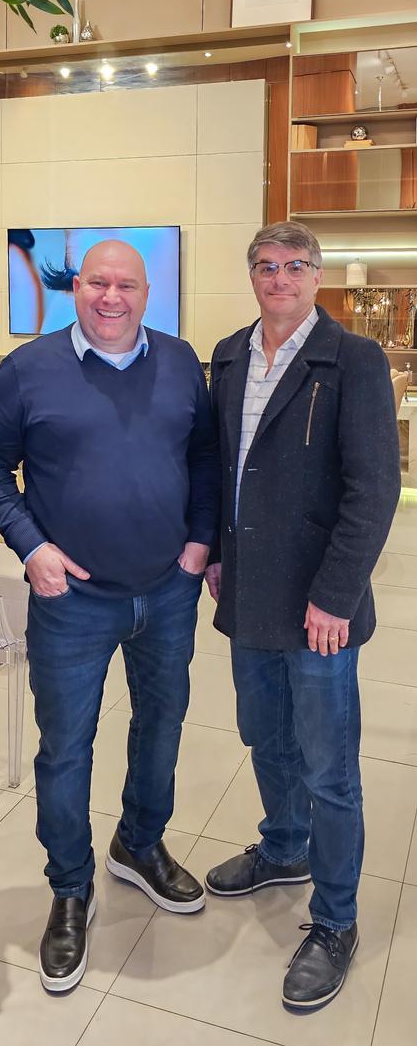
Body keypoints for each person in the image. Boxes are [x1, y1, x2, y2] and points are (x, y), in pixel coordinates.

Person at [0, 239, 220, 992]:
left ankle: (139, 844)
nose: (111, 297)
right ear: (75, 288)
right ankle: (69, 886)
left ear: (148, 293)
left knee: (162, 723)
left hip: (168, 590)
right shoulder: (27, 369)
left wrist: (200, 540)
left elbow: (204, 458)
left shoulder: (180, 362)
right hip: (71, 600)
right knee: (66, 748)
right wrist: (31, 547)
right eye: (97, 283)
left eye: (126, 285)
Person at [203, 221, 401, 1012]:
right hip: (249, 592)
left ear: (317, 276)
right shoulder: (228, 355)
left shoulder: (352, 360)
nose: (278, 277)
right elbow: (219, 466)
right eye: (265, 265)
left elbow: (373, 489)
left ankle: (335, 918)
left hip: (320, 605)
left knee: (329, 767)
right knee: (264, 733)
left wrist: (337, 593)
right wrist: (216, 550)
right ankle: (285, 845)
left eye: (294, 265)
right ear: (251, 275)